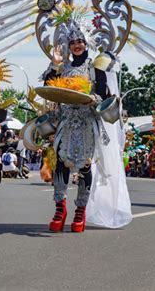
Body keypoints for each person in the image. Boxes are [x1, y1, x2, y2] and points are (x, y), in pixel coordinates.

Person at [42, 23, 110, 233]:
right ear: (68, 46)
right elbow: (48, 86)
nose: (76, 45)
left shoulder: (95, 67)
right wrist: (54, 64)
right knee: (61, 164)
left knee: (85, 166)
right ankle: (59, 209)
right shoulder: (63, 68)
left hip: (87, 122)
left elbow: (104, 97)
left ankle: (80, 210)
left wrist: (92, 99)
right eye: (72, 42)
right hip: (66, 123)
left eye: (80, 41)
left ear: (87, 43)